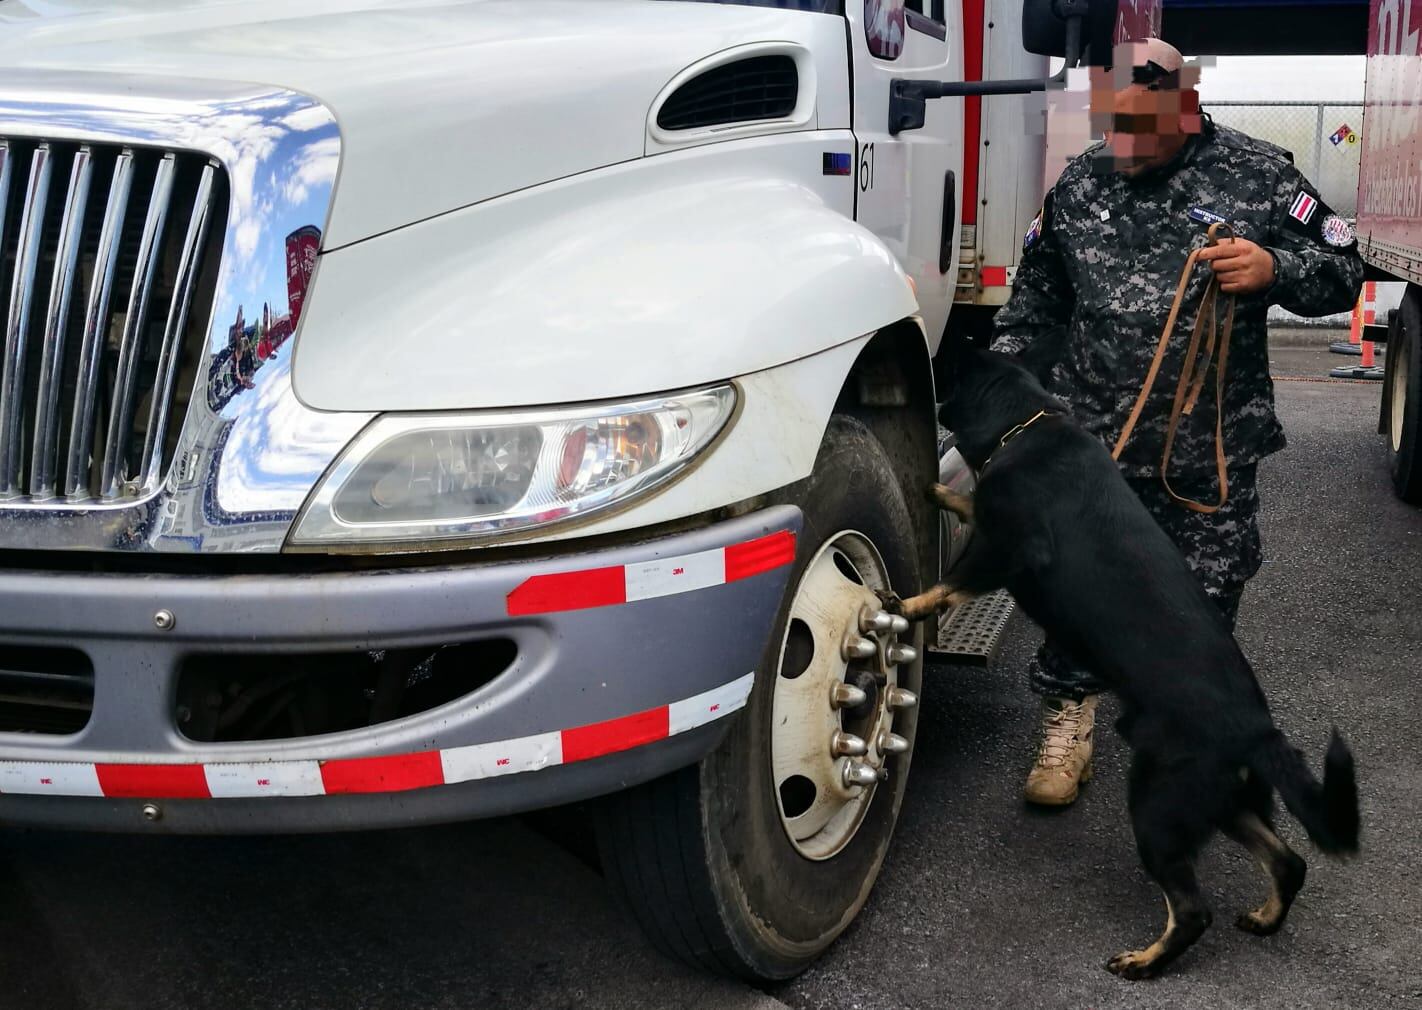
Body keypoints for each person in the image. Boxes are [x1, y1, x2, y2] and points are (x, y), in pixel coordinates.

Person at [989, 37, 1365, 806]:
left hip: (1209, 451)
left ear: (1186, 107)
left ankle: (1189, 739)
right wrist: (1015, 405)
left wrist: (1274, 269)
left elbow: (1344, 267)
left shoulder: (1260, 174)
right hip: (1093, 444)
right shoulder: (1081, 181)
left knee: (1203, 600)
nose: (1122, 147)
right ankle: (1068, 725)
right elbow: (1035, 305)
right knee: (1076, 589)